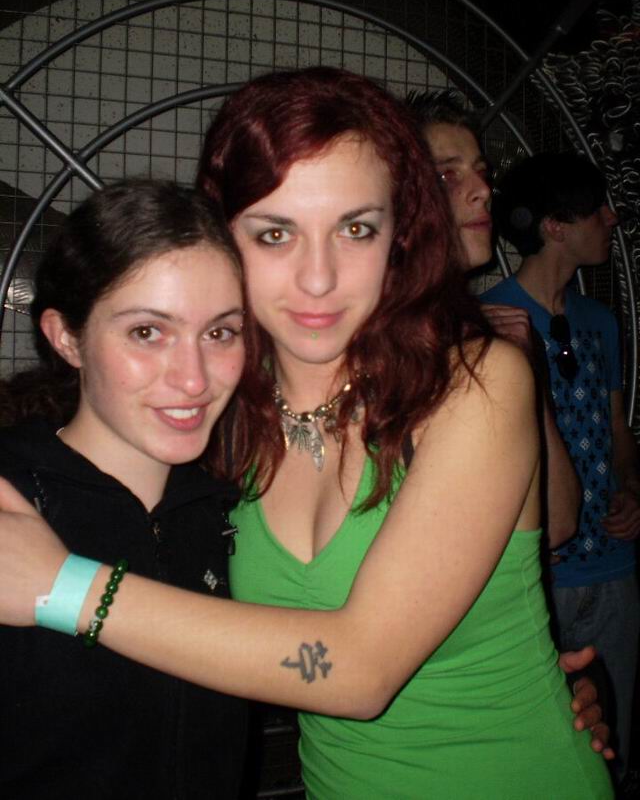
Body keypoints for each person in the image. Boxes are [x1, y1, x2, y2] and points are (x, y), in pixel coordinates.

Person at [0, 69, 614, 799]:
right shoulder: (219, 416)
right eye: (275, 233)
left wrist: (62, 586)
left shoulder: (471, 383)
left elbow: (360, 672)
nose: (318, 278)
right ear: (222, 241)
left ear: (398, 236)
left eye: (355, 229)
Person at [0, 180, 248, 798]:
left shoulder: (236, 512)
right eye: (147, 332)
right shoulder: (11, 499)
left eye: (220, 333)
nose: (194, 379)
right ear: (67, 338)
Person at [481, 151, 640, 783]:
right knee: (537, 757)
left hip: (614, 569)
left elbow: (618, 430)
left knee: (613, 749)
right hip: (533, 573)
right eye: (596, 208)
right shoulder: (487, 321)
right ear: (554, 226)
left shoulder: (601, 321)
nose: (611, 218)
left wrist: (633, 488)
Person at [406, 88, 581, 551]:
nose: (484, 191)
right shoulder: (371, 338)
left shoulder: (484, 333)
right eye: (447, 175)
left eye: (482, 173)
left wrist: (525, 372)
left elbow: (559, 518)